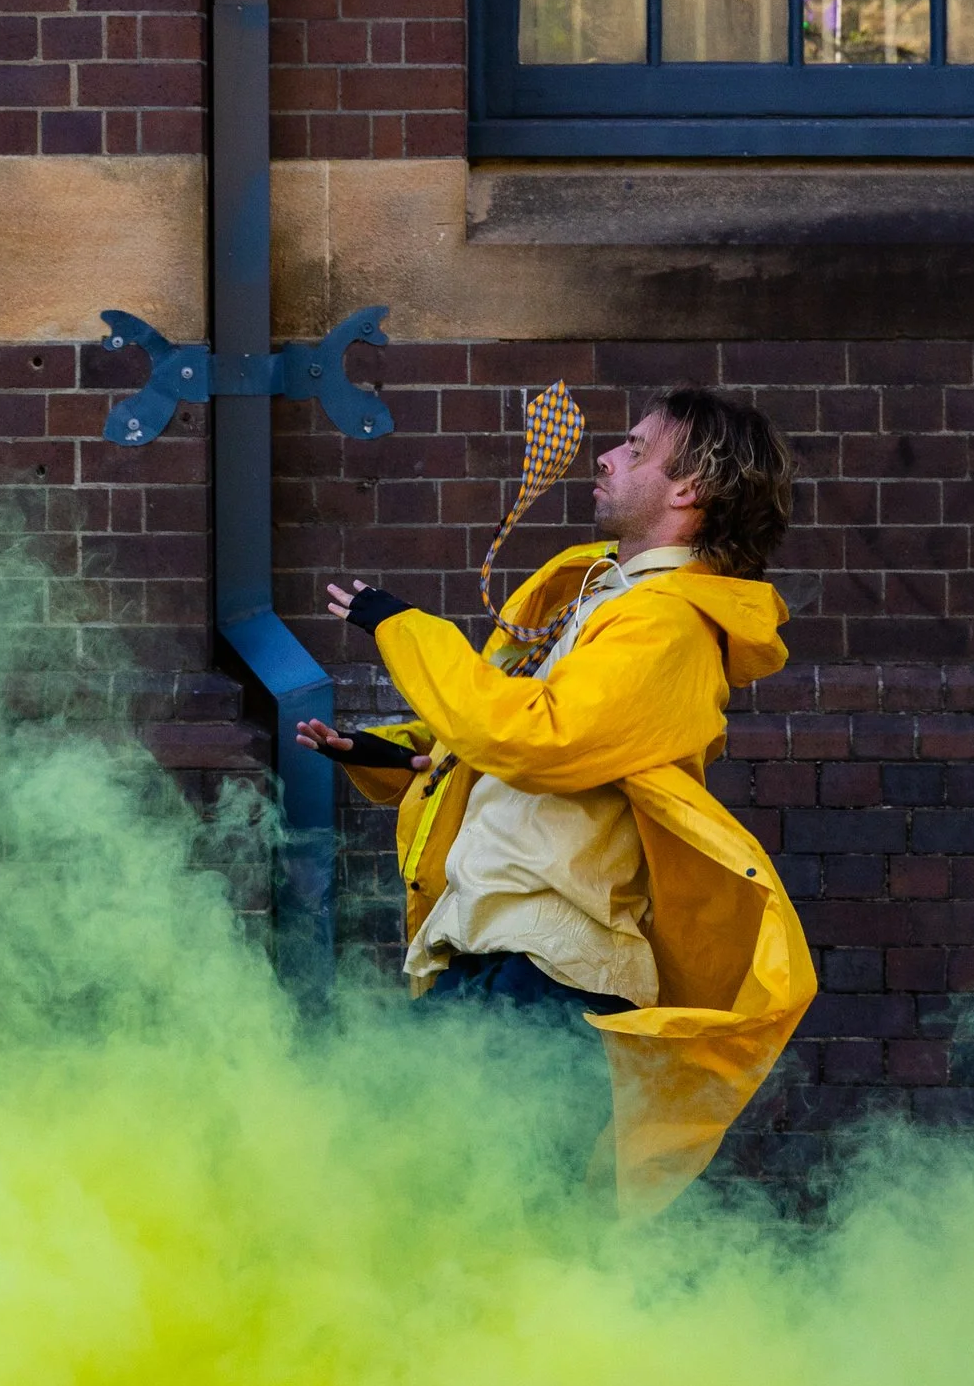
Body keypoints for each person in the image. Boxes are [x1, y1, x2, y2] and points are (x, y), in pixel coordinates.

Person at [296, 387, 819, 1210]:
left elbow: (545, 738)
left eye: (636, 448)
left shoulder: (667, 627)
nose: (605, 457)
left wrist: (407, 628)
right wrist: (395, 755)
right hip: (499, 956)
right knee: (417, 1200)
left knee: (474, 1215)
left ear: (691, 489)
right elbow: (517, 749)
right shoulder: (613, 602)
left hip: (548, 973)